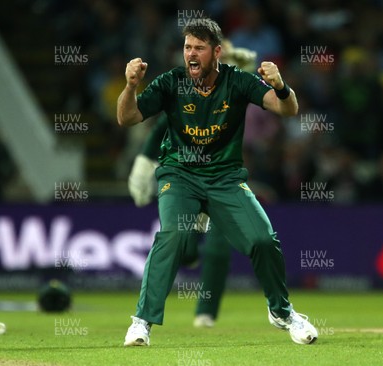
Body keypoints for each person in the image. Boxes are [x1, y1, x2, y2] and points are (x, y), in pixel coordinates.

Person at [117, 18, 317, 346]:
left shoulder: (237, 82)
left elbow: (287, 109)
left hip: (225, 178)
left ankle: (282, 312)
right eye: (187, 48)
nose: (191, 54)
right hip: (179, 176)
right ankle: (142, 322)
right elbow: (126, 118)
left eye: (199, 48)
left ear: (217, 52)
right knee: (175, 235)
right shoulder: (171, 82)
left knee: (264, 240)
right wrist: (130, 86)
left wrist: (281, 86)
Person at [127, 40, 257, 329]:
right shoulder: (187, 88)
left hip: (224, 175)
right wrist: (145, 162)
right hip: (187, 175)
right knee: (182, 243)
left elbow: (253, 88)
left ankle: (205, 311)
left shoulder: (234, 82)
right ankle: (188, 256)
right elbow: (164, 125)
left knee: (218, 247)